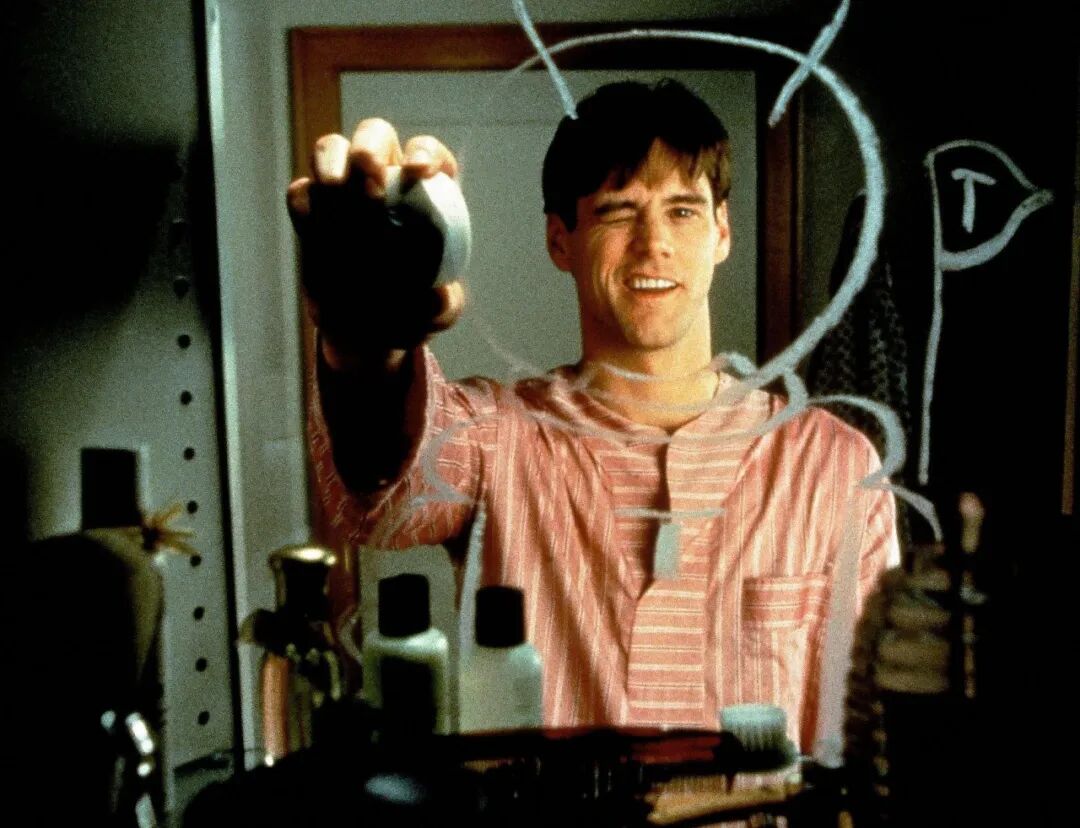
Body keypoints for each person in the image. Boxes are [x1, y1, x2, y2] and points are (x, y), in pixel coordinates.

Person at [288, 80, 899, 751]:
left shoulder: (836, 467)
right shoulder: (498, 440)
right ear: (561, 241)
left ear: (721, 231)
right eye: (616, 212)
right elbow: (382, 482)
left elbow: (875, 735)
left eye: (683, 211)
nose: (653, 244)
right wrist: (362, 342)